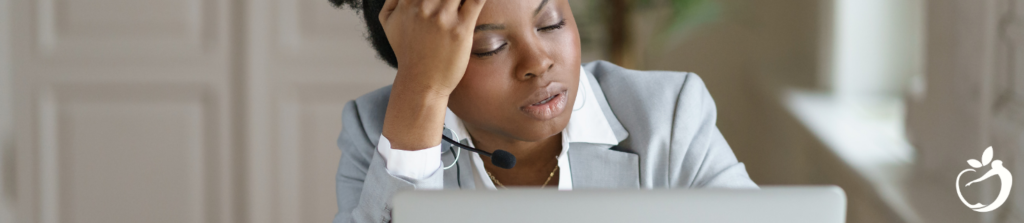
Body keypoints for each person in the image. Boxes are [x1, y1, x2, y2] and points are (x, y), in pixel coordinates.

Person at [329, 0, 759, 222]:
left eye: (551, 22)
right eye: (489, 47)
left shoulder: (668, 114)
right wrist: (420, 92)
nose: (538, 63)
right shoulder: (379, 133)